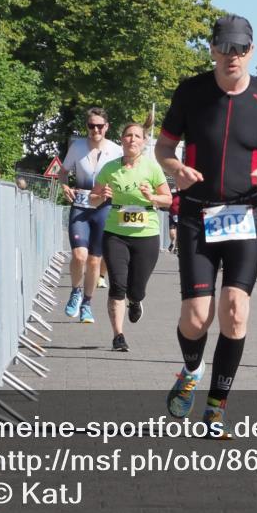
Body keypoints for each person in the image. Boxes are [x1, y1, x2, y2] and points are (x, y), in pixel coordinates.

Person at [156, 14, 257, 433]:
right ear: (212, 49)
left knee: (235, 312)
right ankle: (189, 370)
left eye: (239, 49)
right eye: (224, 48)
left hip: (245, 216)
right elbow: (165, 146)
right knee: (196, 318)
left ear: (251, 51)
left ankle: (217, 404)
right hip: (197, 216)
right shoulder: (191, 93)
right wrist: (174, 168)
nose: (231, 56)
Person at [91, 117, 171, 352]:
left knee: (136, 289)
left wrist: (152, 198)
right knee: (117, 286)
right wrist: (101, 196)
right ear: (122, 140)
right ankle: (118, 336)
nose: (132, 139)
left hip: (146, 233)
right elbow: (93, 200)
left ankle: (136, 300)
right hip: (115, 232)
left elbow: (168, 199)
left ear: (144, 142)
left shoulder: (152, 167)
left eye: (137, 136)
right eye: (128, 135)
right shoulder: (109, 168)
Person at [59, 107, 123, 324]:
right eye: (91, 126)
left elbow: (124, 178)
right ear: (86, 127)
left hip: (104, 208)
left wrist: (115, 191)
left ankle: (87, 303)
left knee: (95, 261)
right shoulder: (77, 147)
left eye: (99, 126)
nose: (95, 130)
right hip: (80, 207)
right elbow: (63, 171)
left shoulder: (116, 151)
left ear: (106, 127)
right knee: (79, 256)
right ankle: (76, 291)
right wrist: (64, 186)